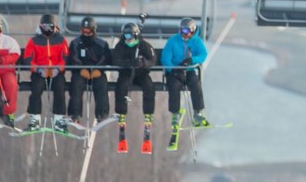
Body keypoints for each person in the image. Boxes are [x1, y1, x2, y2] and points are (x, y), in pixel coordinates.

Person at [112, 21, 157, 153]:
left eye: (130, 36)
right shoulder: (120, 46)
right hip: (126, 73)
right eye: (126, 36)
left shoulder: (144, 46)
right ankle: (121, 114)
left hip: (141, 74)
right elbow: (116, 60)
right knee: (121, 87)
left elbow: (152, 60)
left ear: (136, 35)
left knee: (149, 87)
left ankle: (148, 115)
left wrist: (143, 63)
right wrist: (129, 63)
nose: (128, 39)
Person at [21, 13, 70, 132]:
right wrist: (37, 68)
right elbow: (28, 58)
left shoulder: (61, 40)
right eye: (45, 26)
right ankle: (35, 119)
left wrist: (58, 68)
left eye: (50, 27)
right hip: (40, 72)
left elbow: (66, 57)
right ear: (41, 26)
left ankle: (59, 119)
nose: (48, 29)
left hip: (56, 71)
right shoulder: (34, 41)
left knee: (60, 88)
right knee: (36, 89)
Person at [161, 17, 210, 131]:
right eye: (182, 31)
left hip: (189, 70)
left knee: (195, 84)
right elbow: (165, 58)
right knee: (174, 86)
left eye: (186, 31)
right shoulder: (173, 41)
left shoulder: (196, 41)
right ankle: (175, 113)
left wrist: (192, 60)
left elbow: (203, 54)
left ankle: (198, 113)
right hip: (174, 71)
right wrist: (173, 70)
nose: (184, 34)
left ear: (192, 31)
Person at [67, 16, 112, 126]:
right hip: (80, 73)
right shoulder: (75, 43)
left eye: (89, 31)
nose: (86, 34)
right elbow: (73, 57)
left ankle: (102, 114)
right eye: (84, 31)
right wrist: (81, 69)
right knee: (76, 84)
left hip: (96, 72)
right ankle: (75, 114)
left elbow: (106, 58)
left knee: (101, 84)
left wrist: (98, 69)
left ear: (93, 30)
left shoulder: (102, 44)